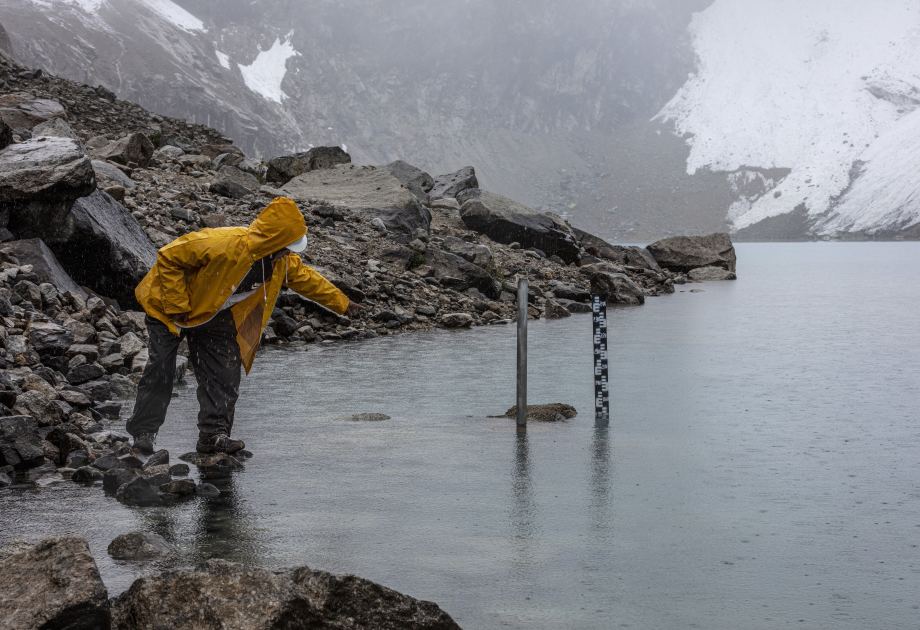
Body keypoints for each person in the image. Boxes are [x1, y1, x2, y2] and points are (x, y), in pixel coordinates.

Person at [126, 196, 358, 455]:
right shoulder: (223, 244)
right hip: (168, 308)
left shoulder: (281, 260)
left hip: (215, 313)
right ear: (273, 241)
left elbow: (306, 279)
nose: (290, 252)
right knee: (161, 370)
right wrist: (178, 307)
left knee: (224, 374)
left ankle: (213, 436)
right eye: (287, 246)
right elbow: (168, 257)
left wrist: (343, 304)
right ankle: (144, 434)